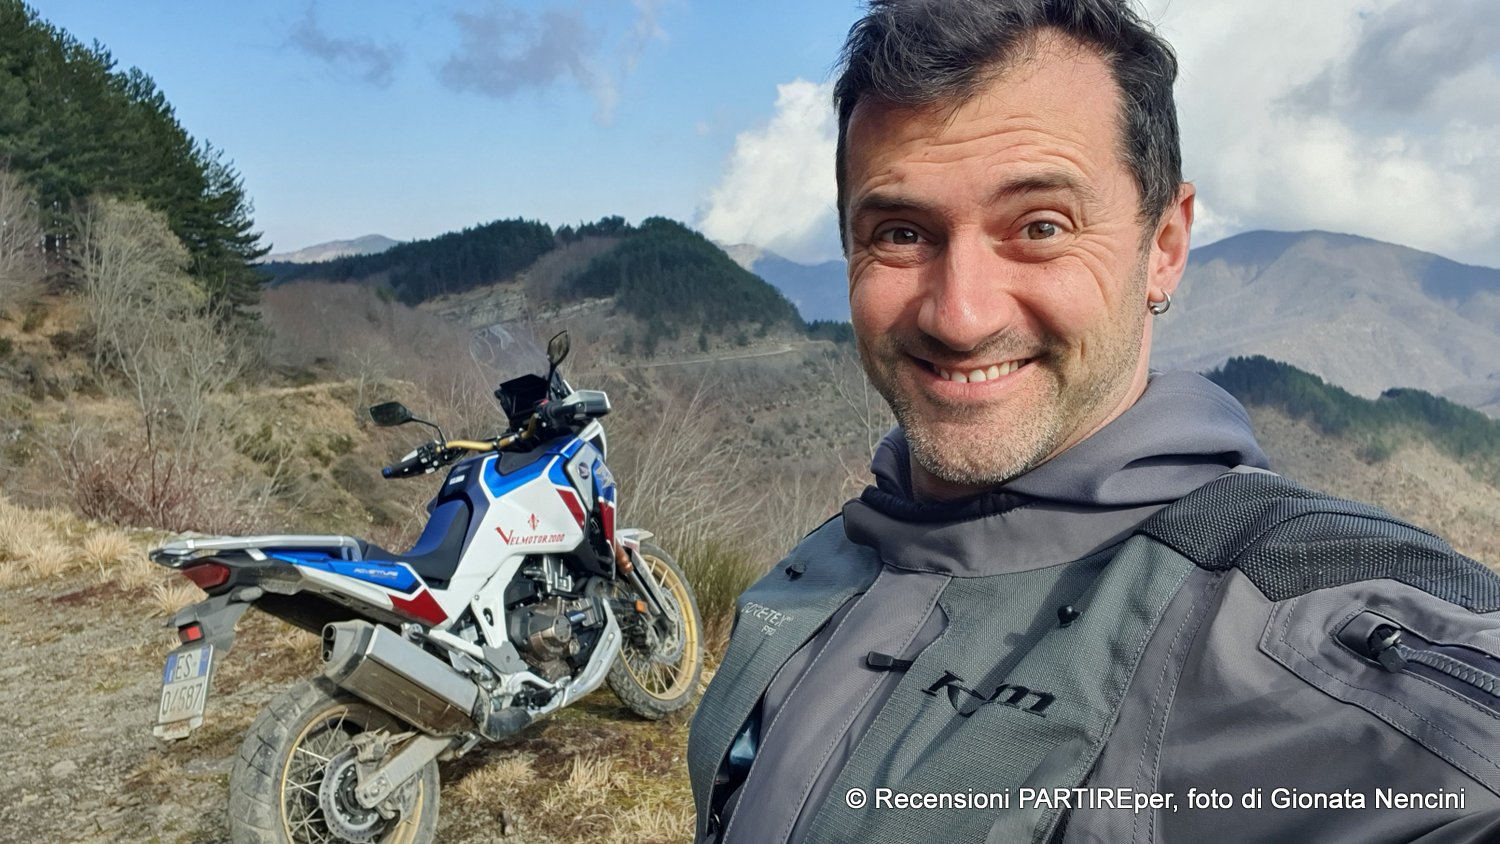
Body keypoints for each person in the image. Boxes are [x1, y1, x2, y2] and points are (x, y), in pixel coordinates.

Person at [686, 1, 1500, 842]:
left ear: (1165, 246)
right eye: (901, 233)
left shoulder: (1284, 620)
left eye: (1041, 227)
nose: (960, 315)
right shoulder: (822, 566)